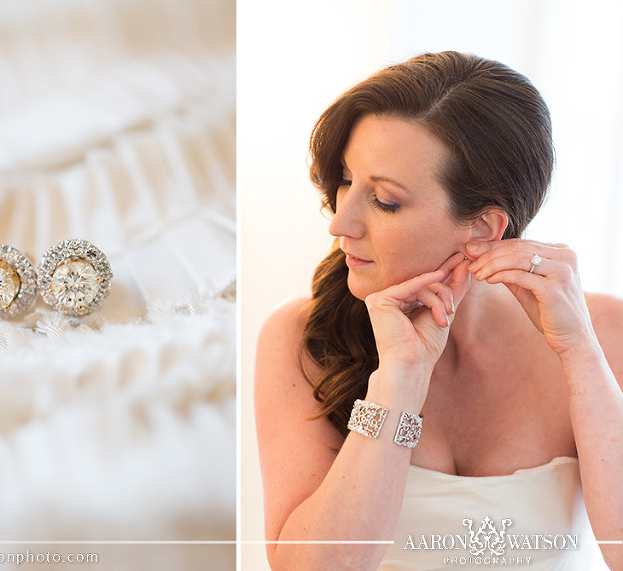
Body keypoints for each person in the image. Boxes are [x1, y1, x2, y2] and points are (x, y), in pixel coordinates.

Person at [255, 51, 623, 570]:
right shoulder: (300, 337)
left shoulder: (602, 332)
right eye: (344, 181)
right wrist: (399, 380)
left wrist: (580, 353)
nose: (340, 222)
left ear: (483, 228)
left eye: (384, 201)